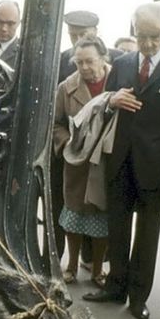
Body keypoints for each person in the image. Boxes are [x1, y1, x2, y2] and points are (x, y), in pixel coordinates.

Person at [83, 1, 160, 319]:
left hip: (157, 171)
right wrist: (111, 100)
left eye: (155, 37)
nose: (147, 43)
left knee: (148, 237)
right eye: (142, 35)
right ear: (133, 29)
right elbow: (102, 107)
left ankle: (138, 297)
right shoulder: (121, 63)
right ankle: (115, 287)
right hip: (119, 161)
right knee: (117, 229)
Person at [54, 36, 111, 288]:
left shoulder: (118, 82)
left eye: (90, 61)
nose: (85, 67)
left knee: (102, 217)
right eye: (79, 62)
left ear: (103, 58)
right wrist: (67, 143)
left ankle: (98, 270)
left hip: (106, 164)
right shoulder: (66, 88)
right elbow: (54, 123)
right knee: (73, 216)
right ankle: (72, 265)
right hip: (76, 164)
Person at [0, 0, 20, 69]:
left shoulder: (22, 54)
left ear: (18, 23)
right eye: (0, 22)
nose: (4, 29)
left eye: (10, 24)